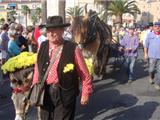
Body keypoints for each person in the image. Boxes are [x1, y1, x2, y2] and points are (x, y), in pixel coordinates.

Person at [32, 16, 93, 120]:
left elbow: (84, 73)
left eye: (54, 30)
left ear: (62, 31)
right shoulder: (42, 45)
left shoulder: (73, 48)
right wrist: (34, 85)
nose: (51, 33)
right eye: (48, 30)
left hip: (65, 92)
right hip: (44, 91)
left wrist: (86, 92)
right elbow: (38, 66)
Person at [144, 22, 160, 90]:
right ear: (153, 27)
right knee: (151, 70)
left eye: (158, 26)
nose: (157, 27)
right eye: (156, 26)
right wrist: (145, 53)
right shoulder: (149, 35)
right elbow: (146, 45)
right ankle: (151, 77)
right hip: (152, 56)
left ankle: (158, 84)